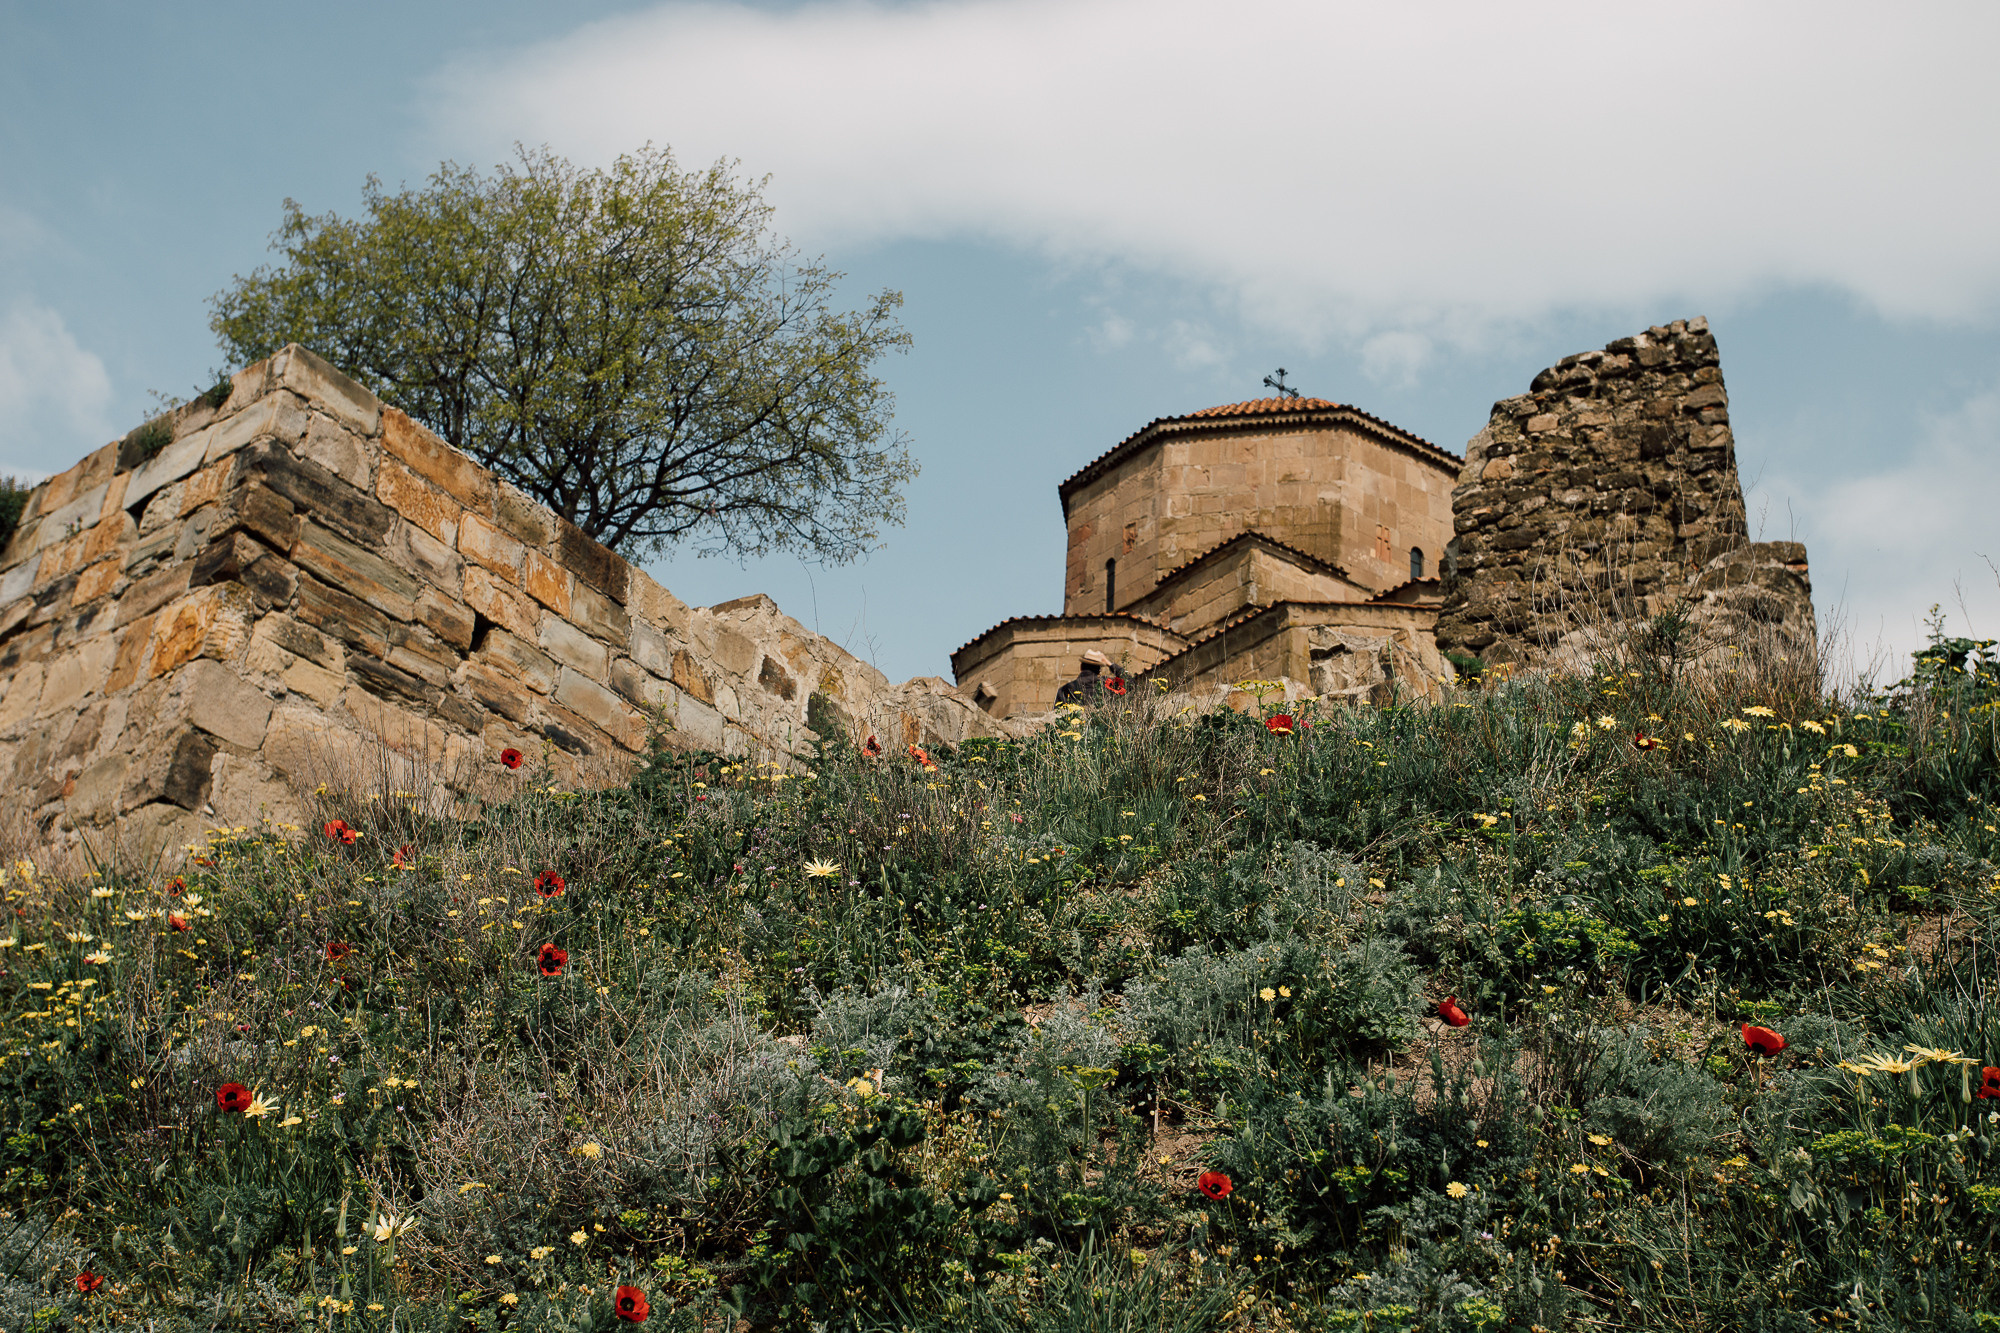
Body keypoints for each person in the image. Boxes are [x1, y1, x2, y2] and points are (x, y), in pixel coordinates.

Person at [1055, 649, 1127, 705]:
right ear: (1099, 669)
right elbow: (1129, 681)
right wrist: (1109, 663)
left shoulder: (1065, 689)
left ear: (1081, 667)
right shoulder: (1108, 685)